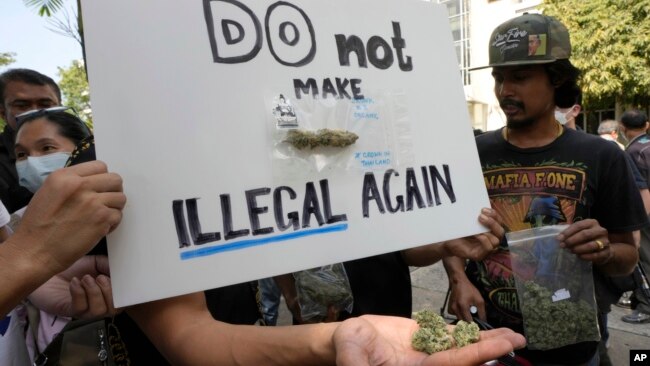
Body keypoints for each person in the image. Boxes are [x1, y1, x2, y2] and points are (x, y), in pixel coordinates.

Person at [445, 13, 647, 365]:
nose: (505, 90)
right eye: (499, 78)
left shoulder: (600, 155)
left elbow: (627, 256)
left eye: (520, 78)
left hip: (573, 344)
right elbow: (449, 234)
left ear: (557, 80)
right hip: (486, 338)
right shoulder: (472, 152)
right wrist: (458, 278)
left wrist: (603, 251)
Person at [0, 69, 61, 213]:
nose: (36, 112)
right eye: (22, 106)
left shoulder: (88, 146)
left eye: (45, 104)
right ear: (3, 113)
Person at [618, 109, 650, 324]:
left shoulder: (632, 152)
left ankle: (646, 306)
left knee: (644, 260)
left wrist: (640, 220)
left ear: (623, 128)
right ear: (646, 125)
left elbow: (640, 190)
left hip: (645, 214)